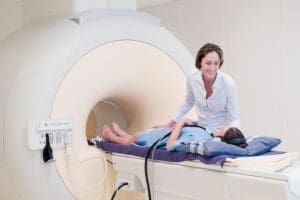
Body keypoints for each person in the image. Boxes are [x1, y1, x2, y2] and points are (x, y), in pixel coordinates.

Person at [155, 43, 240, 134]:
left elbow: (234, 119)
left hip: (219, 133)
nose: (212, 68)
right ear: (200, 62)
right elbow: (188, 101)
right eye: (208, 63)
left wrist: (234, 137)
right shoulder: (192, 78)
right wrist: (171, 123)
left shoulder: (228, 84)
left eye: (216, 63)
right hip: (200, 129)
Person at [101, 118, 247, 152]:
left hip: (165, 138)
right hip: (169, 131)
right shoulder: (208, 132)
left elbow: (170, 146)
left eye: (223, 129)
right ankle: (122, 134)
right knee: (139, 134)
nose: (221, 126)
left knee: (136, 138)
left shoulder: (200, 140)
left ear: (221, 137)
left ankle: (112, 138)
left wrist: (181, 123)